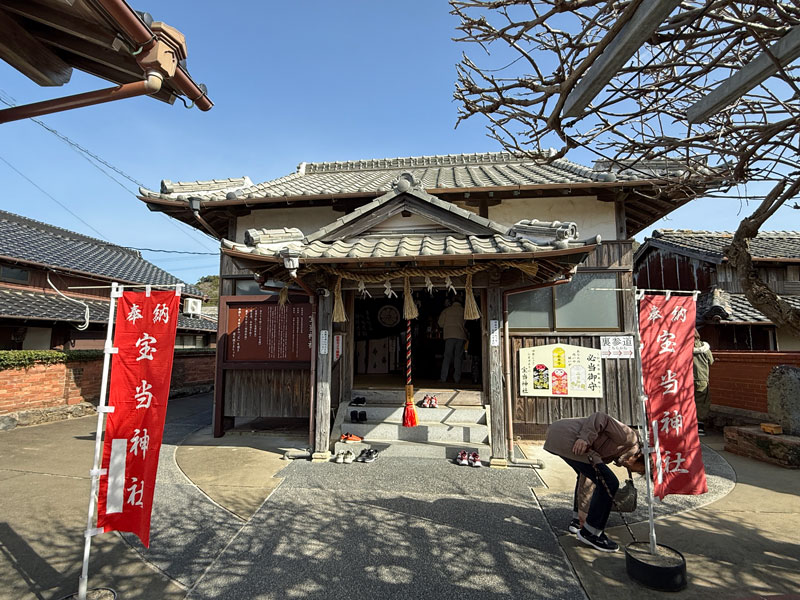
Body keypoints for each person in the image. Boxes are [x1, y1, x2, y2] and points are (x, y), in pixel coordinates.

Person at [544, 412, 646, 553]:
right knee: (610, 482)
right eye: (640, 471)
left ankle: (579, 521)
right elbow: (600, 417)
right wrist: (584, 438)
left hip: (559, 434)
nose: (633, 471)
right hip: (568, 436)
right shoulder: (629, 438)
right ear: (641, 458)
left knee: (593, 476)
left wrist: (582, 512)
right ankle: (592, 533)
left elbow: (588, 479)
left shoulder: (617, 453)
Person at [438, 297, 467, 384]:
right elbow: (466, 323)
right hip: (461, 336)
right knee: (458, 357)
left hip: (449, 336)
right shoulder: (464, 311)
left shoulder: (446, 311)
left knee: (447, 357)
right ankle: (457, 379)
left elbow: (440, 324)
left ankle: (443, 378)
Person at [693, 330, 714, 435]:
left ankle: (690, 425)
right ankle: (700, 427)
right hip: (702, 379)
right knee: (702, 403)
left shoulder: (684, 348)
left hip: (687, 379)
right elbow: (711, 361)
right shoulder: (705, 348)